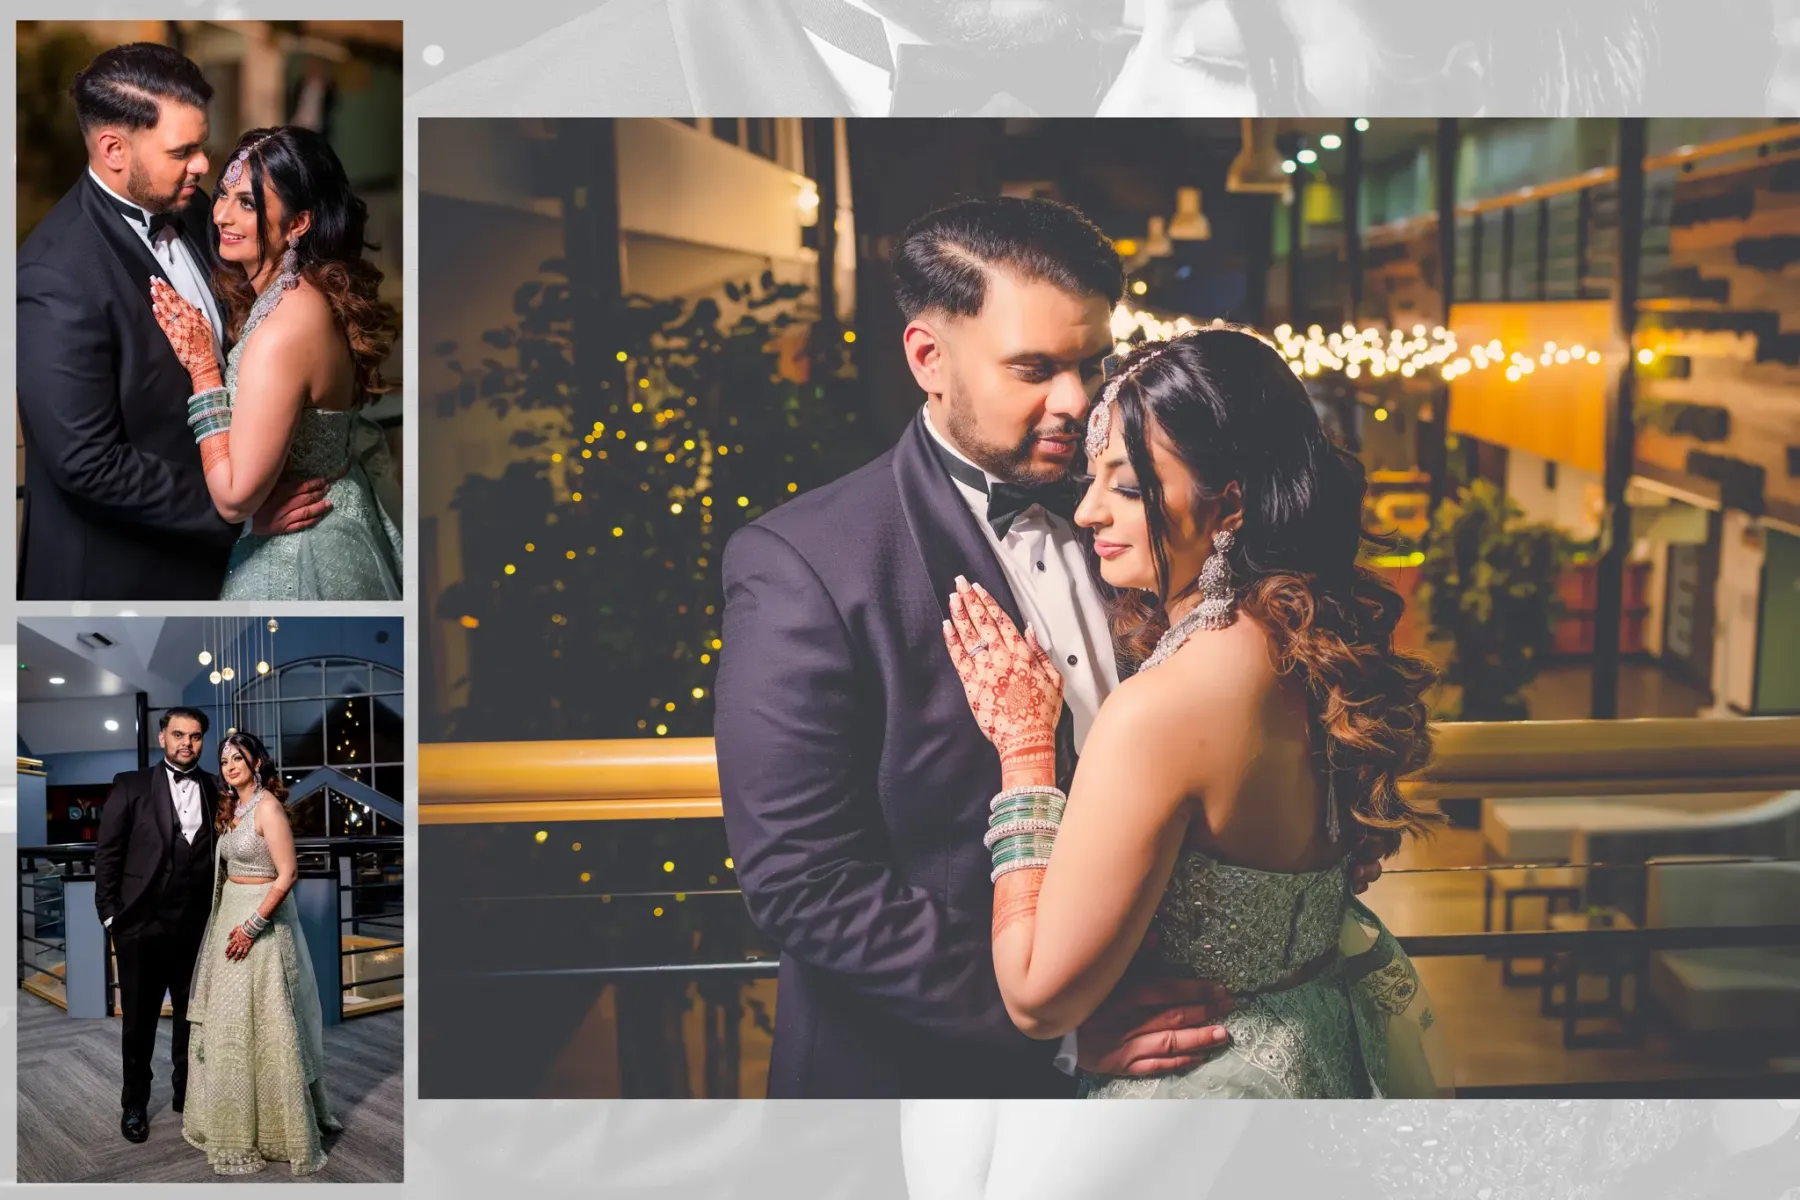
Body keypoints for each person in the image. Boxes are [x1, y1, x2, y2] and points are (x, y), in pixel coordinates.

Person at [714, 196, 1387, 1099]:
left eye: (1090, 364)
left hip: (1197, 1058)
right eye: (1034, 368)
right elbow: (804, 882)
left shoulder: (1149, 501)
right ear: (928, 358)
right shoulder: (806, 563)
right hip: (931, 1086)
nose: (1075, 401)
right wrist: (1062, 1028)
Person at [16, 42, 328, 601]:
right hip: (126, 582)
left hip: (227, 566)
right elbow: (89, 463)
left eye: (201, 145)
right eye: (182, 151)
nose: (204, 165)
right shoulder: (53, 276)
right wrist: (241, 511)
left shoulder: (195, 205)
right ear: (114, 149)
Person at [150, 124, 404, 600]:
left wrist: (203, 369)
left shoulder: (282, 332)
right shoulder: (312, 294)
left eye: (247, 203)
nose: (221, 215)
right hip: (339, 521)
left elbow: (233, 499)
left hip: (301, 555)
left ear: (299, 222)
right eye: (223, 194)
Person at [182, 732, 340, 1175]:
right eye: (224, 760)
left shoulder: (267, 807)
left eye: (239, 758)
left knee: (267, 1022)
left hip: (260, 924)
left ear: (257, 762)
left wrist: (253, 926)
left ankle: (276, 1128)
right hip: (228, 916)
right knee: (230, 1022)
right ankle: (230, 1119)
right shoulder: (232, 808)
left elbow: (288, 873)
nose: (230, 765)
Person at [92, 708, 223, 1144]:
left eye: (196, 736)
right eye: (179, 734)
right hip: (141, 926)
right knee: (138, 1022)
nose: (187, 743)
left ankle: (187, 1094)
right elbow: (108, 852)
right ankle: (134, 1103)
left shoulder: (214, 787)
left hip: (195, 926)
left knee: (192, 1017)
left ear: (203, 741)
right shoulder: (130, 785)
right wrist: (110, 914)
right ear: (162, 737)